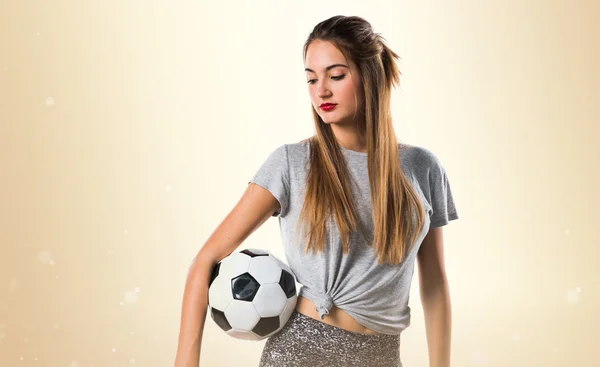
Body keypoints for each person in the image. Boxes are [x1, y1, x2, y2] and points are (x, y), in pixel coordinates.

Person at [174, 15, 459, 367]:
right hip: (302, 353)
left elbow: (434, 282)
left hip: (384, 357)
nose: (321, 90)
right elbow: (204, 260)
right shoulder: (293, 163)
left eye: (336, 75)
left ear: (370, 76)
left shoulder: (422, 167)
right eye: (311, 79)